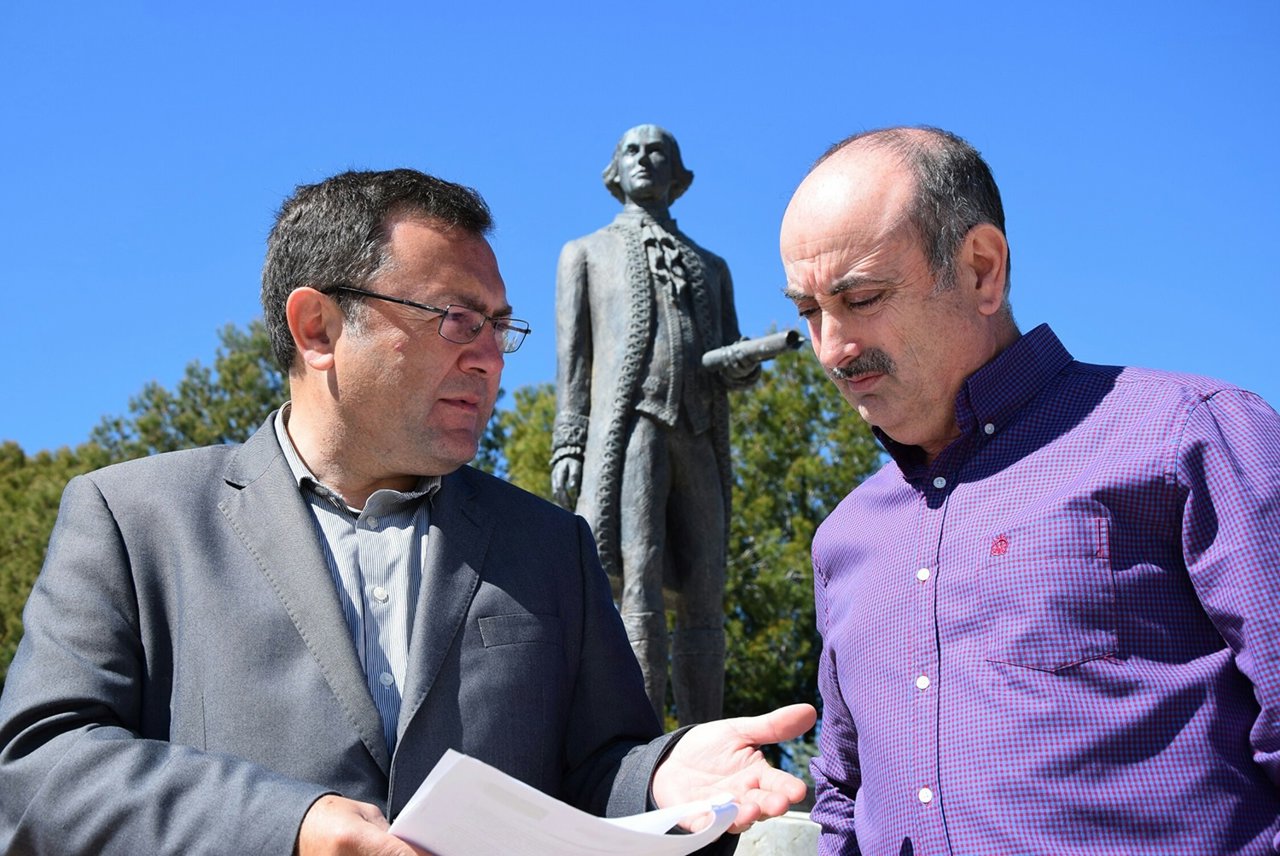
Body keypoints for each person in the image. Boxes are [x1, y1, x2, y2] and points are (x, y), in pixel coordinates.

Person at [0, 168, 816, 856]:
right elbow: (40, 769)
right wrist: (292, 825)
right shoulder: (133, 517)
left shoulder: (550, 547)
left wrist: (662, 771)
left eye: (500, 327)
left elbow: (597, 767)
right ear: (317, 327)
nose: (491, 358)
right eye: (456, 318)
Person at [779, 127, 1280, 854]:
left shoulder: (1188, 437)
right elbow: (841, 800)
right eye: (809, 312)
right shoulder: (845, 541)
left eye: (861, 297)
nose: (831, 347)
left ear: (982, 269)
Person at [551, 125, 759, 726]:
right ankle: (640, 750)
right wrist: (570, 443)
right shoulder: (584, 253)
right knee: (635, 577)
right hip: (632, 427)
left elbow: (725, 357)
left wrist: (741, 365)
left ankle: (704, 739)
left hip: (697, 430)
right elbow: (575, 362)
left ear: (679, 175)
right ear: (614, 171)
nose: (645, 159)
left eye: (658, 151)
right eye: (632, 151)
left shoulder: (712, 268)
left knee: (706, 584)